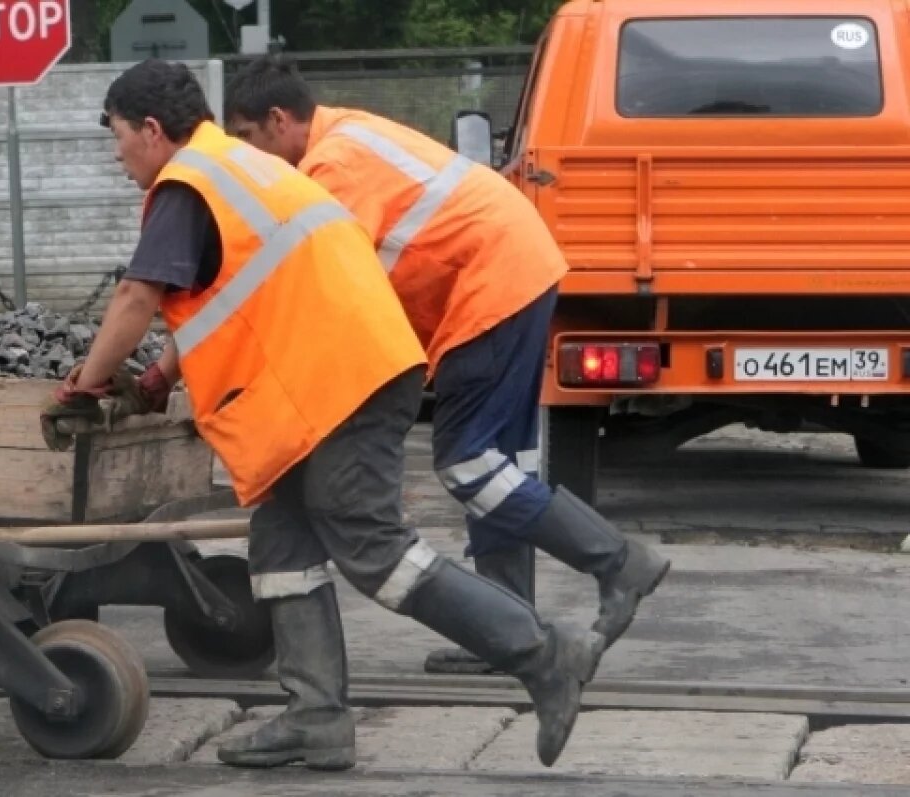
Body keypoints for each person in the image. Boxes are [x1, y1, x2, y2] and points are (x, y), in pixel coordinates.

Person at [40, 58, 605, 772]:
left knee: (374, 550)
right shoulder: (245, 168)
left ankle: (545, 653)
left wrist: (80, 391)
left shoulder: (187, 185)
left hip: (341, 381)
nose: (118, 156)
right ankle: (316, 720)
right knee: (283, 547)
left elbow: (136, 299)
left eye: (118, 138)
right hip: (325, 383)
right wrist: (155, 378)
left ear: (152, 131)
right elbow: (230, 295)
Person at [223, 55, 670, 674]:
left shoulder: (333, 168)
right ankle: (509, 629)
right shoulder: (347, 135)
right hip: (513, 269)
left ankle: (618, 563)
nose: (252, 160)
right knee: (497, 467)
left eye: (247, 140)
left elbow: (330, 288)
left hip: (490, 286)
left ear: (277, 120)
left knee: (468, 462)